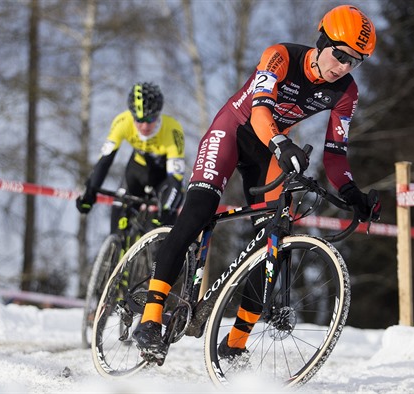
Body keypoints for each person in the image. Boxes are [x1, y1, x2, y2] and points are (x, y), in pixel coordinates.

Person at [132, 5, 381, 361]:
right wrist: (281, 143)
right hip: (234, 130)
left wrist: (351, 192)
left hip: (270, 151)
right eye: (340, 55)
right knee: (198, 212)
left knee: (272, 242)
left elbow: (336, 154)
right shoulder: (279, 56)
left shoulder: (346, 92)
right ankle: (151, 317)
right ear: (323, 41)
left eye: (354, 62)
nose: (343, 66)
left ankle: (235, 342)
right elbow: (261, 110)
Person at [76, 82, 185, 229]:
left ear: (158, 115)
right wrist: (90, 190)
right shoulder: (122, 122)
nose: (144, 127)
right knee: (118, 213)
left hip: (163, 178)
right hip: (136, 171)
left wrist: (167, 208)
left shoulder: (173, 130)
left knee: (164, 225)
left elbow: (176, 179)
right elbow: (105, 160)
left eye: (150, 119)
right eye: (139, 120)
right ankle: (115, 248)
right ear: (132, 115)